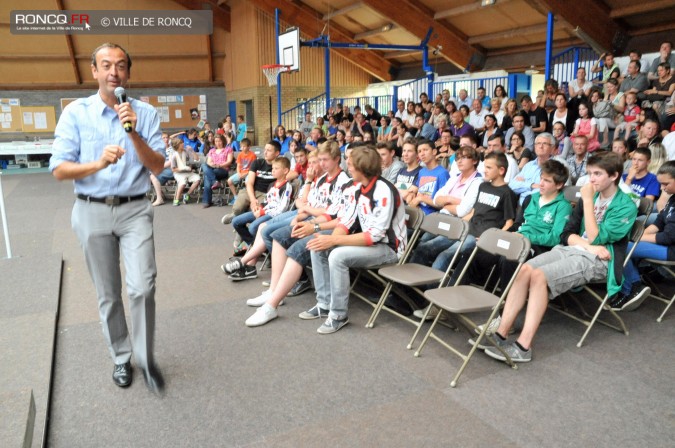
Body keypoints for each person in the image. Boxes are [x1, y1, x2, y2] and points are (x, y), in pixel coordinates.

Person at [49, 43, 165, 393]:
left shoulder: (144, 113)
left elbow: (158, 165)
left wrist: (132, 131)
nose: (114, 72)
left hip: (134, 210)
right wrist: (96, 164)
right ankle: (121, 357)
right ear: (94, 71)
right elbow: (59, 169)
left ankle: (144, 357)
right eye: (106, 65)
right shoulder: (75, 113)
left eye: (120, 66)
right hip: (90, 209)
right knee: (109, 293)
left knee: (142, 286)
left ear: (128, 73)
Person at [483, 152, 637, 363]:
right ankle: (501, 333)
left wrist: (588, 202)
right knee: (525, 269)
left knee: (539, 276)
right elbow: (567, 235)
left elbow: (595, 235)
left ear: (614, 176)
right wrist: (587, 246)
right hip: (579, 250)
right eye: (590, 173)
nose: (591, 179)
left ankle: (523, 346)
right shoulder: (589, 198)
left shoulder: (624, 205)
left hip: (602, 262)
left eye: (598, 174)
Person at [303, 146, 407, 333]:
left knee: (337, 256)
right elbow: (347, 220)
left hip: (389, 249)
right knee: (317, 246)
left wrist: (334, 242)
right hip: (370, 244)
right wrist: (327, 241)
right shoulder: (358, 188)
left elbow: (375, 236)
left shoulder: (384, 190)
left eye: (351, 165)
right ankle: (324, 303)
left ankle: (338, 315)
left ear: (363, 169)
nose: (347, 168)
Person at [610, 161, 674, 310]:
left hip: (672, 249)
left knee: (622, 246)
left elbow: (668, 238)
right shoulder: (672, 198)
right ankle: (633, 284)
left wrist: (637, 238)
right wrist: (641, 234)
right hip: (667, 244)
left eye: (666, 184)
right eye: (660, 184)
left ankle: (632, 287)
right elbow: (658, 223)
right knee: (622, 243)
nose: (662, 188)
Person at [229, 157, 293, 280]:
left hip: (272, 214)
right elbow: (267, 201)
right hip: (264, 211)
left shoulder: (287, 187)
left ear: (285, 171)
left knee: (253, 227)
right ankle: (255, 247)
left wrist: (263, 212)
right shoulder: (272, 185)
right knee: (236, 221)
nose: (272, 171)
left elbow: (282, 209)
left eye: (276, 169)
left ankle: (255, 252)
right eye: (272, 168)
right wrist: (259, 207)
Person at [221, 140, 280, 225]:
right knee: (238, 208)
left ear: (277, 153)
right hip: (251, 190)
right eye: (265, 150)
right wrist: (252, 199)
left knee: (255, 211)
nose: (265, 152)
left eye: (269, 150)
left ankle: (239, 227)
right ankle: (235, 215)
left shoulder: (279, 166)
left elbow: (291, 173)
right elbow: (250, 183)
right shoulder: (257, 162)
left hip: (265, 194)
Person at [509, 133, 557, 204]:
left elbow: (547, 190)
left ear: (552, 149)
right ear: (534, 147)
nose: (541, 146)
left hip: (540, 208)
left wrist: (523, 182)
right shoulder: (529, 165)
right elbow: (512, 186)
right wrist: (531, 185)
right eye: (538, 143)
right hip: (521, 207)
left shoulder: (556, 166)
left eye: (545, 143)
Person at [407, 140, 450, 215]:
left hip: (432, 215)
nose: (422, 154)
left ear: (434, 152)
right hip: (417, 212)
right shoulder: (421, 172)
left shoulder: (443, 173)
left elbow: (443, 204)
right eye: (419, 151)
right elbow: (418, 191)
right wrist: (412, 195)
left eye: (425, 150)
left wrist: (421, 199)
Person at [201, 133, 233, 208]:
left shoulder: (228, 149)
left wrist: (219, 165)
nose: (218, 143)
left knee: (207, 174)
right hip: (213, 169)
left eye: (219, 141)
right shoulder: (212, 150)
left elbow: (229, 161)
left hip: (223, 170)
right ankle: (215, 182)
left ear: (223, 141)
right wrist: (213, 165)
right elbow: (209, 162)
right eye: (216, 141)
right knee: (204, 165)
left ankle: (206, 201)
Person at [169, 137, 201, 206]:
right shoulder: (174, 155)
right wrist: (183, 168)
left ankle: (187, 194)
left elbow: (197, 159)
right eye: (181, 143)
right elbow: (173, 169)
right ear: (177, 145)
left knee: (197, 179)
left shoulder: (186, 151)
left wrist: (192, 151)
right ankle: (176, 199)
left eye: (182, 142)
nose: (183, 144)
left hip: (188, 172)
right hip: (178, 173)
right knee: (182, 183)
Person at [226, 137, 257, 204]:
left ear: (249, 147)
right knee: (229, 181)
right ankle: (235, 197)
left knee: (248, 183)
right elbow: (238, 166)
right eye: (241, 146)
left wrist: (244, 174)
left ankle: (248, 197)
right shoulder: (240, 155)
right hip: (241, 172)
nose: (242, 148)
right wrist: (239, 173)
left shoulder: (253, 155)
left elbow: (253, 168)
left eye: (244, 146)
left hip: (249, 173)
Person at [149, 132, 175, 206]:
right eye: (164, 138)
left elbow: (170, 162)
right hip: (163, 169)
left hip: (171, 170)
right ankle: (160, 194)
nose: (166, 139)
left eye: (167, 137)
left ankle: (159, 198)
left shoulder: (171, 148)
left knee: (152, 176)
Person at [394, 139, 422, 204]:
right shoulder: (401, 170)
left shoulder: (421, 172)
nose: (405, 154)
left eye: (409, 151)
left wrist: (396, 192)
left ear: (417, 154)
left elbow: (407, 194)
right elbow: (392, 190)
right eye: (404, 151)